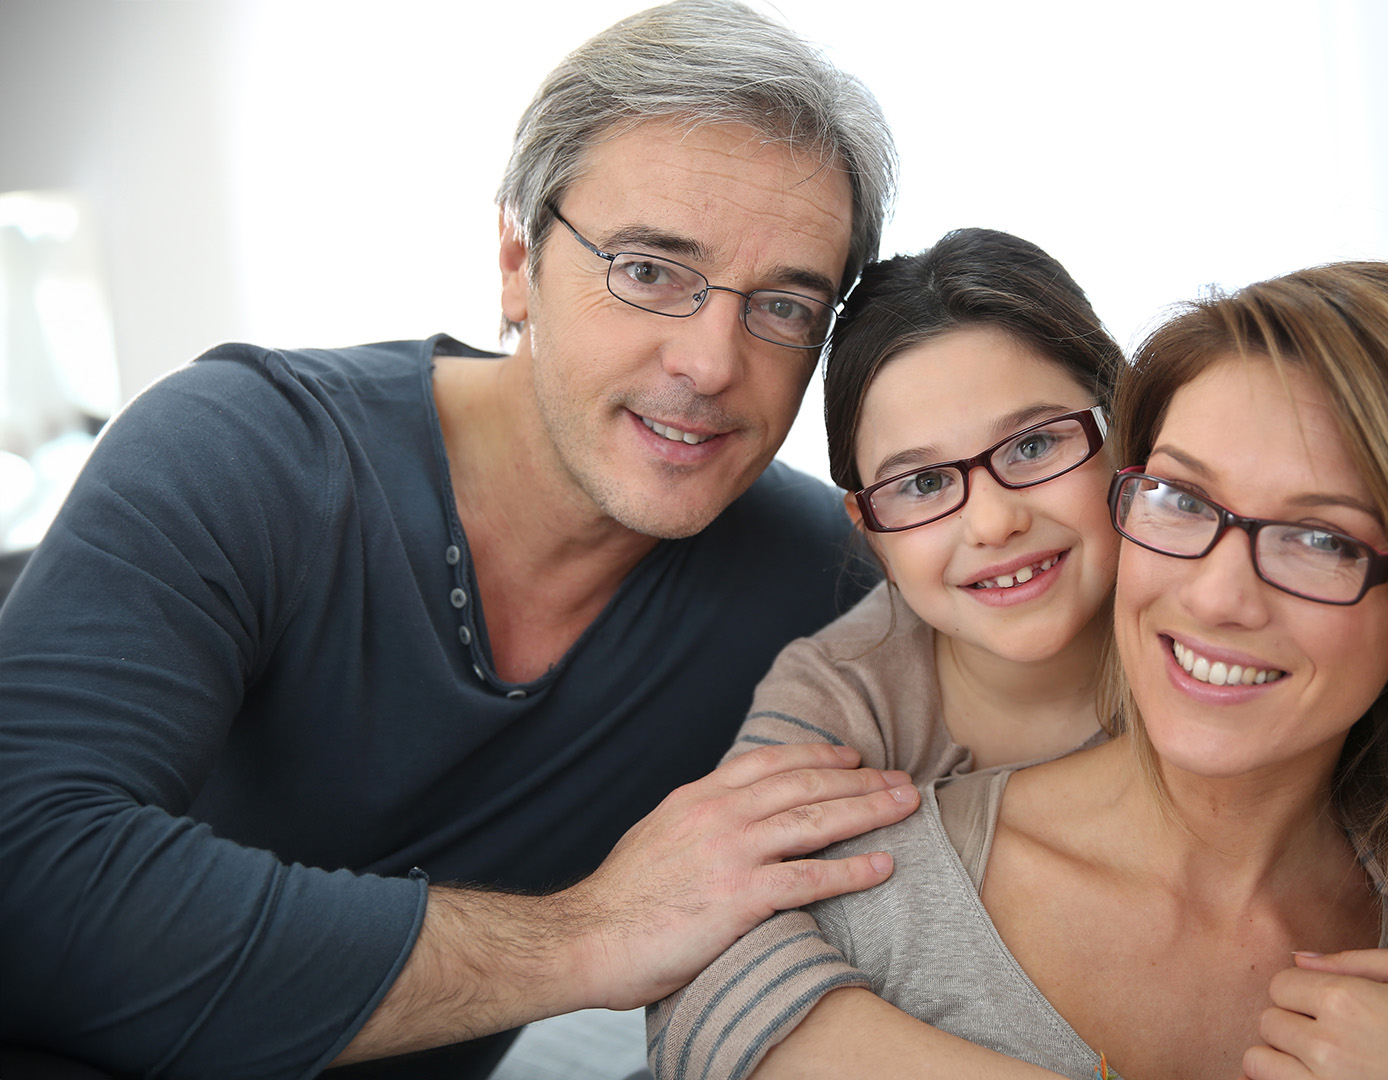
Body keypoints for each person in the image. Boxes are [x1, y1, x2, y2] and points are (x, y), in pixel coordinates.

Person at [0, 3, 927, 1077]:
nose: (713, 362)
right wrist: (591, 935)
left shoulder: (812, 574)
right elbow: (24, 882)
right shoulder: (242, 451)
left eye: (782, 306)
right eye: (649, 271)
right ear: (515, 260)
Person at [700, 263, 1388, 1078]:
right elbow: (701, 946)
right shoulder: (867, 841)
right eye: (1185, 500)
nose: (1218, 595)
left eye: (1321, 539)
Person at [648, 226, 1126, 1077]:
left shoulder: (1210, 620)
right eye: (923, 484)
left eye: (1033, 445)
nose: (993, 522)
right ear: (869, 530)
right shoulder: (840, 688)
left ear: (1119, 433)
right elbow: (699, 959)